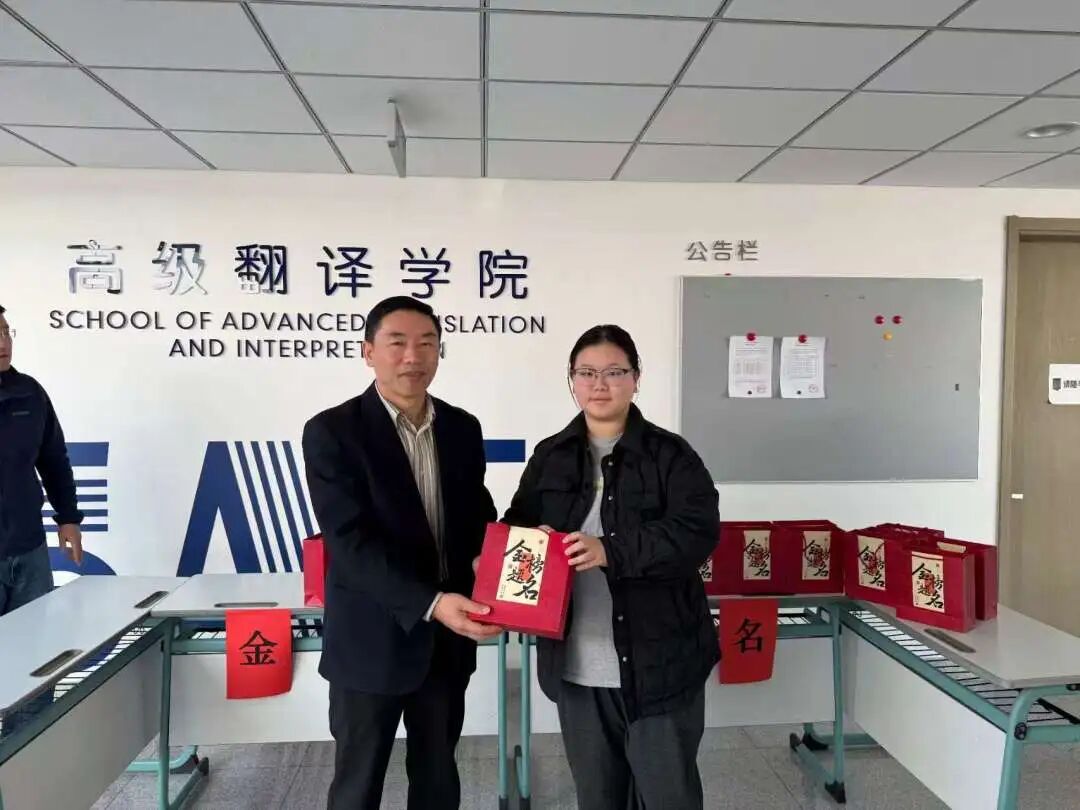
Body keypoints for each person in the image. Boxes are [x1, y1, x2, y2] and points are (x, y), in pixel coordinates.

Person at [502, 324, 719, 810]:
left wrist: (610, 550)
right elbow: (519, 526)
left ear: (636, 378)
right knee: (597, 797)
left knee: (668, 798)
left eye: (615, 372)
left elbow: (697, 532)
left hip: (660, 666)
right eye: (587, 373)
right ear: (572, 380)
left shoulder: (671, 455)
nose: (600, 384)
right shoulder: (550, 455)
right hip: (576, 665)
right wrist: (518, 547)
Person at [302, 296, 501, 810]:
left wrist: (488, 562)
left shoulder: (462, 428)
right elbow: (349, 542)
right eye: (398, 343)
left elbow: (477, 515)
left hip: (446, 645)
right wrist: (432, 603)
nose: (413, 356)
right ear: (368, 352)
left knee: (438, 779)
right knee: (358, 785)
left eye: (427, 343)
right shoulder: (332, 431)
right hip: (371, 642)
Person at [0, 302, 83, 618]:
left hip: (29, 549)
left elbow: (53, 460)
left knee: (34, 641)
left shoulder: (30, 393)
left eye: (6, 332)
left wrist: (68, 518)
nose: (3, 343)